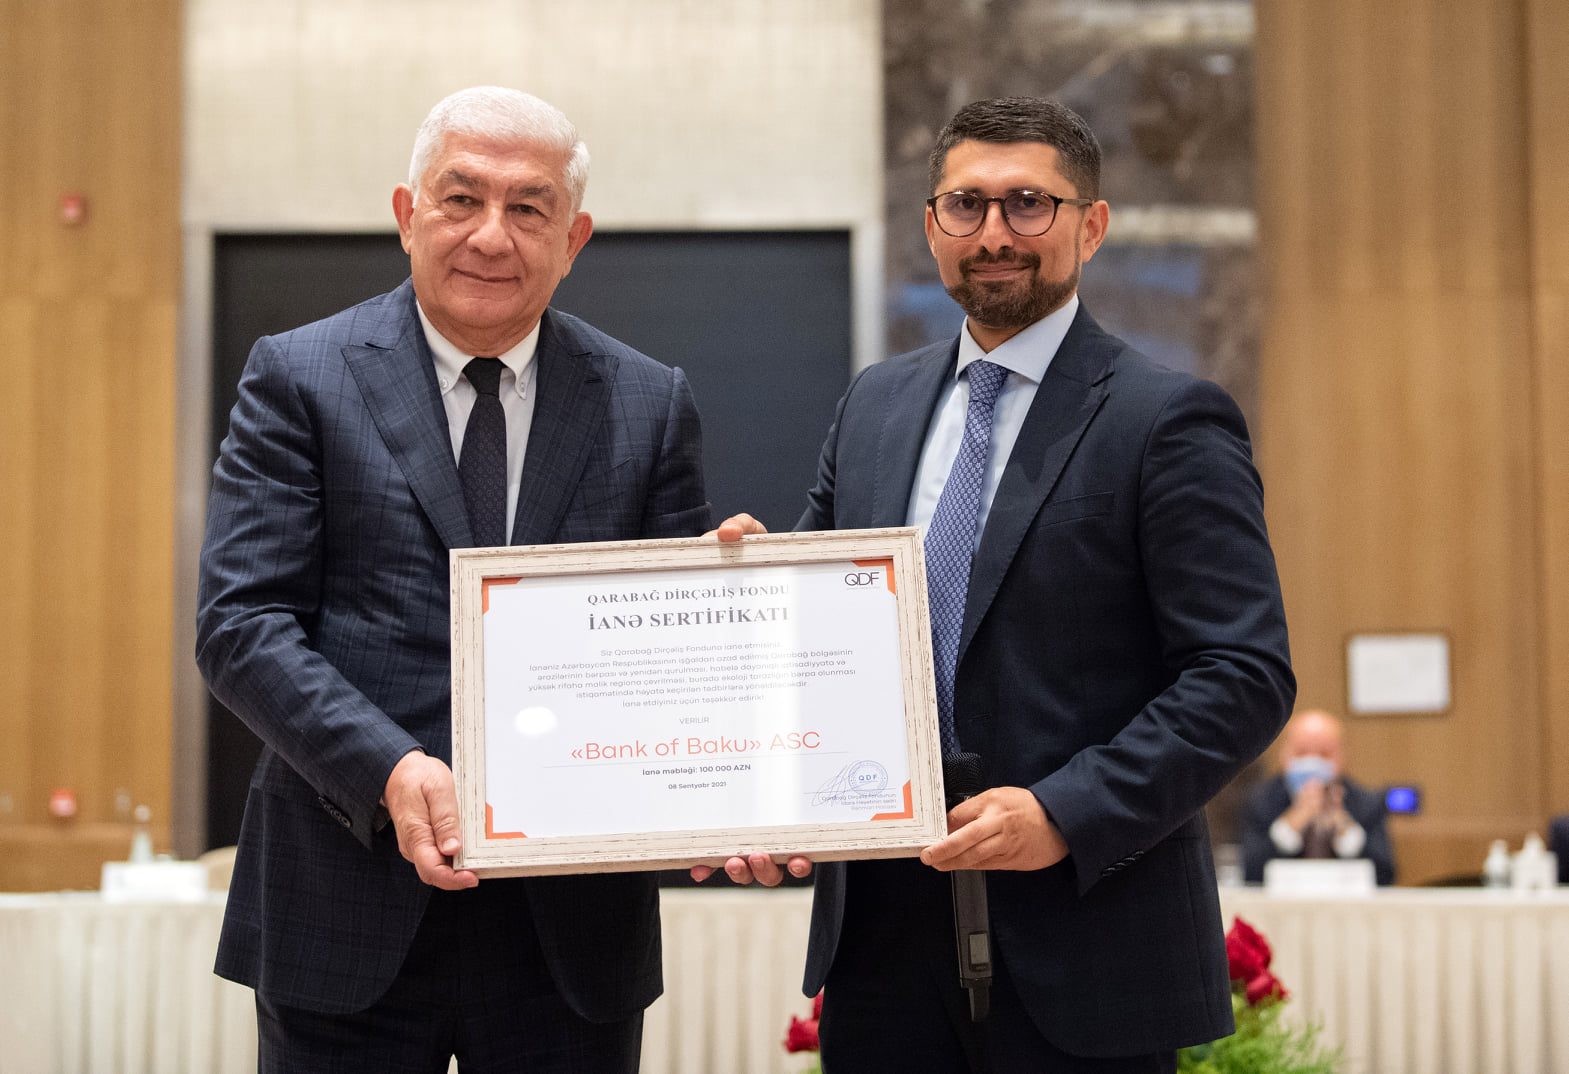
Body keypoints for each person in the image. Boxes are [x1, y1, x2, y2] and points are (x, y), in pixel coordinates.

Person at [702, 97, 1295, 1071]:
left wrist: (1066, 811)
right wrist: (749, 585)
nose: (993, 234)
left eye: (1028, 204)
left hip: (1085, 948)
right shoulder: (874, 405)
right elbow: (815, 636)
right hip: (882, 948)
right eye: (966, 205)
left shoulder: (1167, 420)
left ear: (1090, 226)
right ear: (932, 225)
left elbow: (1242, 675)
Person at [196, 86, 709, 1073]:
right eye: (461, 198)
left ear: (574, 238)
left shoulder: (648, 403)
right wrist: (389, 768)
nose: (490, 235)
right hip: (345, 900)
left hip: (570, 933)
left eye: (529, 208)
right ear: (407, 214)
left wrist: (730, 597)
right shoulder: (299, 378)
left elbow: (679, 652)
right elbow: (241, 625)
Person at [1240, 709, 1396, 885]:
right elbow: (1251, 874)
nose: (1312, 761)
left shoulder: (1367, 803)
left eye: (1324, 753)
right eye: (1301, 753)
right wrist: (1292, 822)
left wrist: (1344, 827)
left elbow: (1384, 876)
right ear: (1284, 755)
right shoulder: (1261, 800)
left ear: (1342, 757)